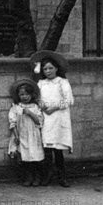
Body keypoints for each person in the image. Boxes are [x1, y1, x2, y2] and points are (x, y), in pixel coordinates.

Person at [31, 50, 74, 188]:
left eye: (50, 68)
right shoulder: (41, 83)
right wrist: (42, 105)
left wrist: (54, 108)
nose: (48, 71)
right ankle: (47, 175)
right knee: (47, 149)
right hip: (46, 118)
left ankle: (62, 177)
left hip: (59, 116)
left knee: (58, 149)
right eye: (45, 69)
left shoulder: (62, 82)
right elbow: (37, 97)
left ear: (56, 68)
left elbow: (69, 100)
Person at [7, 79, 45, 186]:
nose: (25, 96)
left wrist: (29, 113)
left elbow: (39, 121)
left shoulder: (35, 107)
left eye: (27, 94)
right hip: (22, 134)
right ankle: (28, 177)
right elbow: (12, 122)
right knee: (25, 157)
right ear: (18, 95)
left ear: (32, 95)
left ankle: (37, 177)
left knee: (35, 157)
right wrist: (16, 135)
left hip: (33, 134)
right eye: (22, 94)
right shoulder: (16, 107)